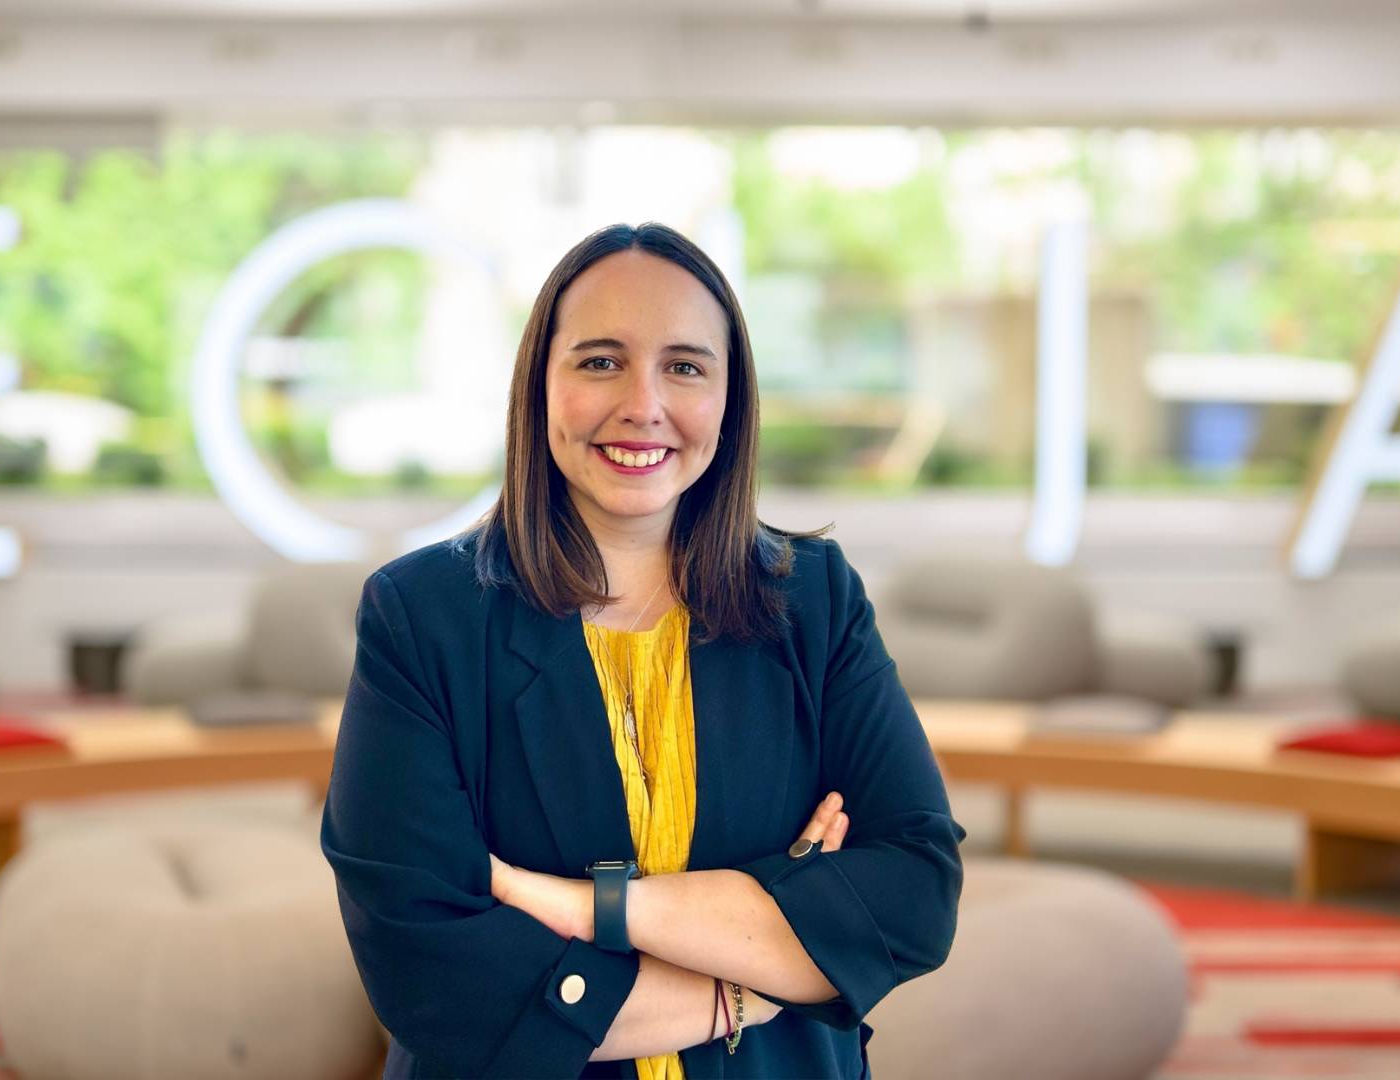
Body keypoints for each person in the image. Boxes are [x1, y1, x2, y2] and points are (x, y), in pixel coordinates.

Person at [321, 222, 965, 1078]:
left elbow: (914, 897)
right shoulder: (421, 617)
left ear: (731, 398)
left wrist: (590, 908)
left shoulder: (814, 600)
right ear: (538, 387)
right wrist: (751, 980)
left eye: (685, 366)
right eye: (599, 361)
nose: (643, 404)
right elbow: (428, 972)